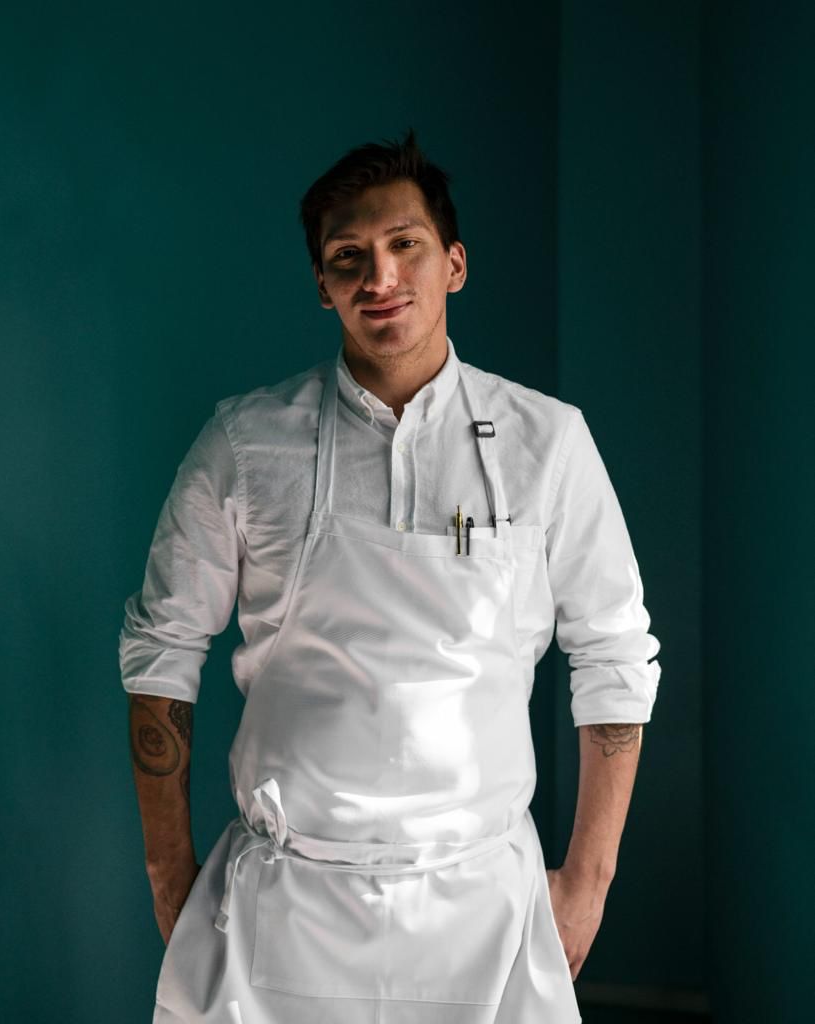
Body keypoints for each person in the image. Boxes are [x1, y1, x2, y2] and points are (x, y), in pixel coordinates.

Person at [120, 127, 661, 1024]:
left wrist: (588, 882)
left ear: (453, 263)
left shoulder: (547, 441)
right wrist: (167, 875)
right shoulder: (245, 443)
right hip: (282, 912)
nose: (379, 276)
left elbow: (614, 653)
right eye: (348, 256)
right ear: (322, 285)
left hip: (485, 909)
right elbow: (161, 651)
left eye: (404, 244)